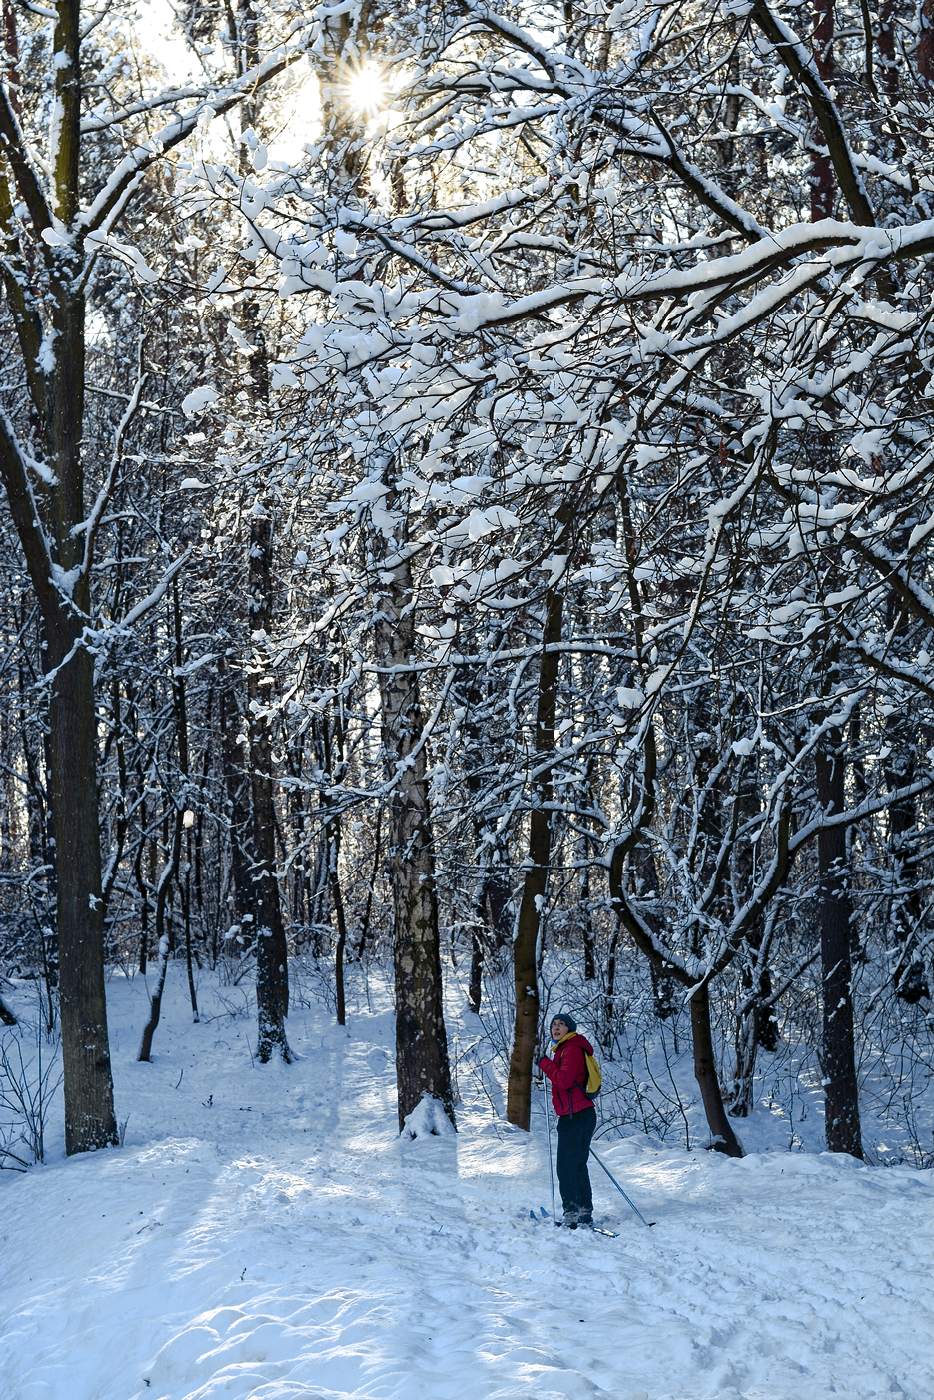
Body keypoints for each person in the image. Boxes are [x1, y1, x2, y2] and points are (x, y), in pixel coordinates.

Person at [538, 1012, 597, 1229]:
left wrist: (544, 1063)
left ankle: (572, 1212)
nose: (556, 1027)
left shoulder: (571, 1049)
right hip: (580, 1115)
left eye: (561, 1024)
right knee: (578, 1165)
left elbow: (563, 1080)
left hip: (575, 1116)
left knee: (566, 1166)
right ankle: (583, 1211)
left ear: (569, 1029)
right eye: (554, 1024)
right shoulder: (566, 1049)